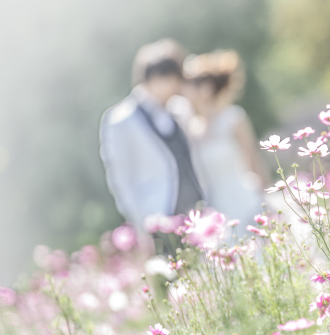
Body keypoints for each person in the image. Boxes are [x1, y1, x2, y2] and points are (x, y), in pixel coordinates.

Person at [99, 39, 205, 233]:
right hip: (160, 215)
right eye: (175, 78)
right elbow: (121, 179)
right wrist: (141, 222)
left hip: (199, 209)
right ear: (157, 78)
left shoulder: (179, 108)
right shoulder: (121, 119)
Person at [181, 50, 268, 227]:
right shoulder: (191, 128)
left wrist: (267, 199)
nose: (183, 89)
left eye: (189, 83)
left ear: (206, 88)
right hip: (215, 210)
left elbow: (254, 159)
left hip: (246, 200)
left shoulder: (233, 118)